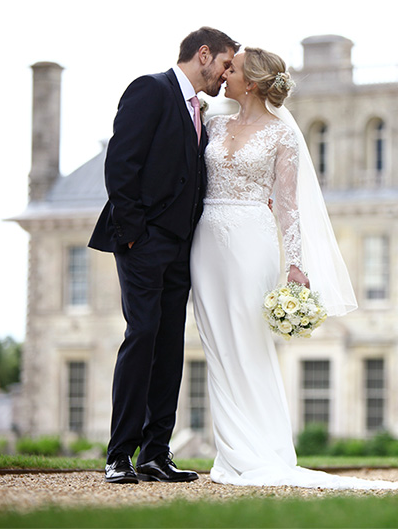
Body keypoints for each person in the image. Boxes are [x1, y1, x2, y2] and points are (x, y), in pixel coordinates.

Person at [191, 47, 398, 489]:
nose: (223, 74)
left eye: (231, 69)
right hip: (205, 243)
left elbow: (289, 208)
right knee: (216, 347)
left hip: (252, 242)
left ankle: (261, 449)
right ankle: (229, 450)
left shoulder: (282, 136)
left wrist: (296, 265)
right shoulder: (212, 122)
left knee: (249, 345)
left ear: (250, 82)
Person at [89, 27, 240, 484]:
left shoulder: (200, 109)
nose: (226, 75)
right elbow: (121, 165)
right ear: (203, 54)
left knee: (171, 345)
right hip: (144, 242)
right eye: (226, 64)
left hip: (181, 248)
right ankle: (119, 455)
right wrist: (136, 234)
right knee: (144, 335)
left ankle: (156, 452)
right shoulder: (149, 89)